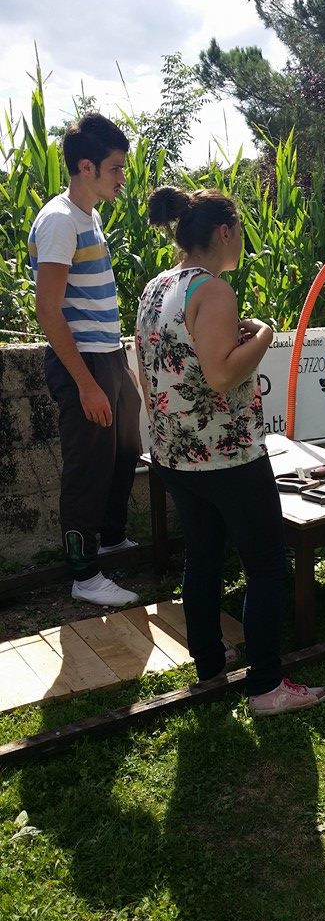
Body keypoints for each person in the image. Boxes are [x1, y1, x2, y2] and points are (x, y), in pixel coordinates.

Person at [135, 186, 325, 715]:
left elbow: (166, 364)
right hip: (226, 456)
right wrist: (264, 335)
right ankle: (266, 685)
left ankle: (210, 661)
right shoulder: (214, 290)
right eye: (239, 231)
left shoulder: (156, 288)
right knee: (265, 566)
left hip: (174, 455)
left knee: (202, 557)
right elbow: (222, 375)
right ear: (225, 233)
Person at [29, 113, 142, 607]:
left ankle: (112, 537)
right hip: (85, 364)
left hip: (108, 356)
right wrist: (86, 384)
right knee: (87, 466)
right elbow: (47, 311)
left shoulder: (87, 214)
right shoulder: (59, 222)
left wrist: (115, 367)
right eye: (115, 169)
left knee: (124, 449)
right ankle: (84, 573)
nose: (122, 178)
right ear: (86, 166)